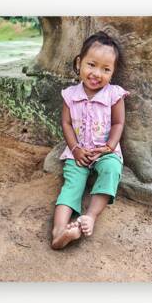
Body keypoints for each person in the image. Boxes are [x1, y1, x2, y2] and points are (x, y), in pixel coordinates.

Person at [50, 32, 128, 250]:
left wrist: (109, 147)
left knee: (111, 169)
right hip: (78, 152)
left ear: (113, 72)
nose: (97, 73)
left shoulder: (114, 94)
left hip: (105, 151)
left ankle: (90, 216)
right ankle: (59, 232)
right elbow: (66, 123)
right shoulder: (70, 94)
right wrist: (75, 149)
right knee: (72, 184)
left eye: (106, 69)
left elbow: (118, 123)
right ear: (79, 63)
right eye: (91, 65)